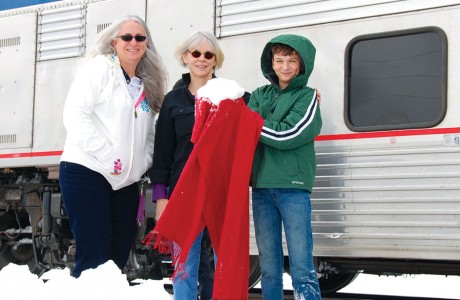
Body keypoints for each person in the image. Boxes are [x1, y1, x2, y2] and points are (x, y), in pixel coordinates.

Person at [59, 15, 166, 278]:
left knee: (117, 256)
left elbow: (150, 133)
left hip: (125, 183)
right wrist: (110, 157)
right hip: (87, 171)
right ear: (114, 42)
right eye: (127, 37)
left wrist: (141, 162)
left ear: (147, 44)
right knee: (93, 253)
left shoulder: (144, 85)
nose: (133, 42)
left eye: (140, 38)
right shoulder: (99, 69)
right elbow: (75, 115)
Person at [149, 31, 242, 300]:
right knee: (184, 267)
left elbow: (261, 109)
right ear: (185, 57)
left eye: (209, 54)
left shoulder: (231, 96)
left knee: (221, 263)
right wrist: (161, 196)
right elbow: (163, 152)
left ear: (216, 60)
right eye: (196, 53)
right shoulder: (173, 101)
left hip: (219, 192)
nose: (202, 59)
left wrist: (308, 94)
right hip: (183, 192)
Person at [247, 34, 323, 300]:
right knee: (269, 268)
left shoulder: (308, 97)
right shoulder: (258, 94)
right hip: (262, 189)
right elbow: (244, 125)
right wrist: (253, 122)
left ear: (303, 64)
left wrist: (255, 123)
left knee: (302, 267)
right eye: (279, 60)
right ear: (272, 63)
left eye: (292, 60)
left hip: (294, 189)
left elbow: (289, 134)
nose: (285, 66)